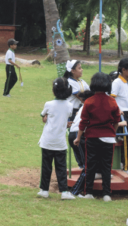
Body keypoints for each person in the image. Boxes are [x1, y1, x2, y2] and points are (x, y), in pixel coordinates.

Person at [72, 72, 121, 201]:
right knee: (106, 167)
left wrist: (78, 138)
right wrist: (113, 133)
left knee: (90, 165)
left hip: (92, 138)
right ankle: (106, 194)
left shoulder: (89, 101)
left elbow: (83, 122)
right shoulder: (112, 101)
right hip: (109, 138)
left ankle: (88, 192)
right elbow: (116, 120)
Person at [37, 78, 75, 200]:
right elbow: (65, 119)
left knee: (46, 166)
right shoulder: (70, 105)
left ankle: (44, 190)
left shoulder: (48, 104)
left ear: (54, 91)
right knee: (61, 167)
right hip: (60, 142)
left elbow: (44, 118)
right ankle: (64, 191)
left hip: (47, 141)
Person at [68, 92, 92, 170]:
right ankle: (84, 179)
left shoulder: (83, 107)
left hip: (73, 133)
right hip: (77, 133)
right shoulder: (88, 107)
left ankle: (83, 175)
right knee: (85, 162)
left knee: (82, 161)